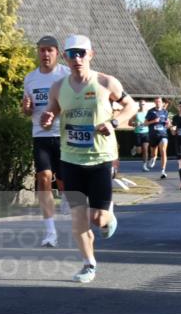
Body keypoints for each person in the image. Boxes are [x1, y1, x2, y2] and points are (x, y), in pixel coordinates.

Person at [40, 34, 137, 284]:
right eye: (72, 54)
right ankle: (88, 264)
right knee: (78, 218)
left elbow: (132, 107)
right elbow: (51, 110)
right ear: (66, 58)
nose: (77, 58)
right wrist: (48, 117)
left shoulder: (106, 82)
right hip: (71, 159)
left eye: (82, 53)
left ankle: (108, 216)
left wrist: (114, 122)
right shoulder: (58, 87)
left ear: (91, 55)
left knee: (98, 219)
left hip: (101, 159)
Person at [21, 35, 70, 248]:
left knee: (64, 182)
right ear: (38, 52)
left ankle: (68, 201)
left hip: (64, 134)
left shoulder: (66, 75)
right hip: (40, 135)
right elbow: (26, 110)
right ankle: (50, 231)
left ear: (57, 53)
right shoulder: (30, 78)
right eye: (42, 50)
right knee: (43, 179)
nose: (46, 54)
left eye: (50, 50)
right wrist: (27, 108)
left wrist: (56, 112)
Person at [144, 97, 171, 179]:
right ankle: (153, 158)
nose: (158, 103)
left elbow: (168, 124)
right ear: (154, 103)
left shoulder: (165, 112)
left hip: (163, 134)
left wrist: (168, 123)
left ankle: (163, 170)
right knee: (154, 153)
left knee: (163, 150)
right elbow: (145, 123)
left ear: (162, 103)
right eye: (156, 102)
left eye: (159, 101)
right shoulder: (150, 111)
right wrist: (153, 121)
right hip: (153, 135)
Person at [132, 100, 150, 171]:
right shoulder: (136, 113)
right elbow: (129, 123)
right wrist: (135, 124)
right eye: (141, 104)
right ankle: (135, 147)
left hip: (146, 133)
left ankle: (144, 165)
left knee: (145, 149)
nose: (142, 105)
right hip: (138, 133)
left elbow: (150, 122)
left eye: (143, 104)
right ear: (139, 105)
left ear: (145, 105)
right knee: (139, 151)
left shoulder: (148, 113)